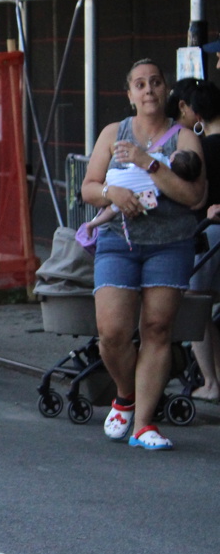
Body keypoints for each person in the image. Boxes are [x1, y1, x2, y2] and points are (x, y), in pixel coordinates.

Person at [81, 58, 206, 450]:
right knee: (111, 333)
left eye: (155, 82)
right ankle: (125, 395)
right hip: (119, 240)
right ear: (130, 94)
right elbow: (88, 187)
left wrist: (148, 162)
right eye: (140, 84)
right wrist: (112, 193)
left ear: (166, 89)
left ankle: (144, 425)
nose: (148, 89)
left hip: (170, 243)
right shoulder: (112, 132)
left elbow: (195, 196)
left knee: (157, 329)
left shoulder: (184, 137)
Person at [171, 79, 220, 398]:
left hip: (208, 231)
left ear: (196, 114)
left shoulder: (202, 150)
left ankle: (211, 382)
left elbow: (193, 198)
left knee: (194, 308)